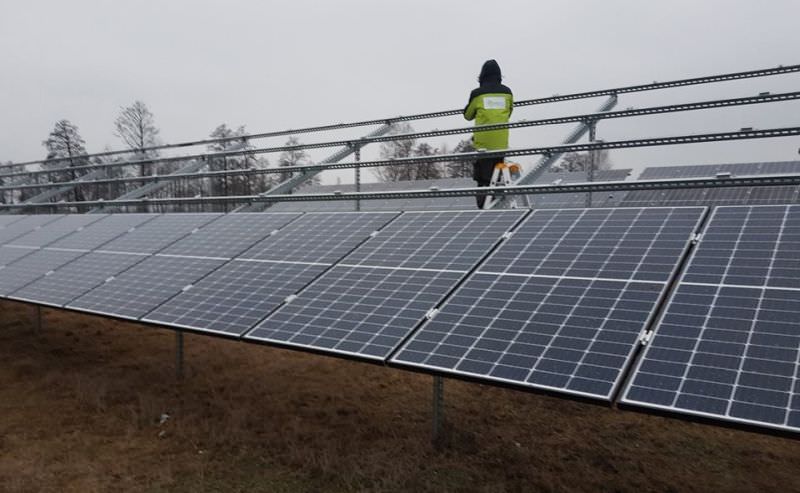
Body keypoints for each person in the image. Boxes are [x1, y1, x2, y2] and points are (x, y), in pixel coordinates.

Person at [463, 59, 513, 208]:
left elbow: (467, 115)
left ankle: (483, 206)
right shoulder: (507, 92)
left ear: (482, 76)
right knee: (498, 176)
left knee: (483, 178)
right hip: (501, 143)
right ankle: (499, 202)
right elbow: (509, 112)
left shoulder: (477, 94)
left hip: (483, 144)